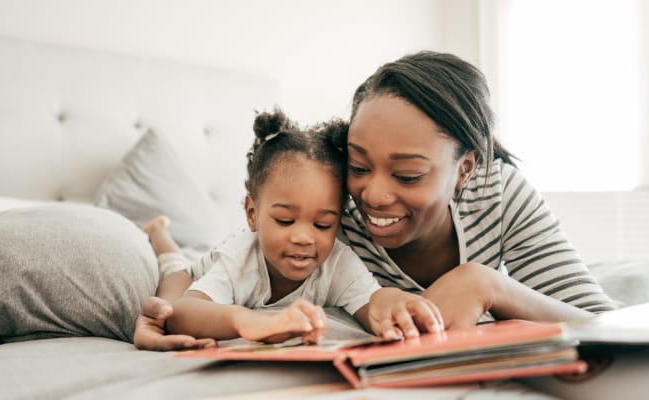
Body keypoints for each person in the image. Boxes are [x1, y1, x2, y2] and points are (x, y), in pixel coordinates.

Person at [133, 51, 615, 351]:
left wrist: (489, 285)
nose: (372, 195)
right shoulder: (326, 213)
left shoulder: (500, 193)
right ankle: (160, 235)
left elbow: (608, 326)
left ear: (466, 169)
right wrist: (167, 310)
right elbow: (233, 273)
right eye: (359, 166)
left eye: (407, 174)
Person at [136, 109, 444, 348]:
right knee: (173, 279)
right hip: (197, 271)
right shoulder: (238, 259)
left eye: (323, 224)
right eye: (285, 220)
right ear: (253, 214)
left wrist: (394, 302)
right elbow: (185, 312)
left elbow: (371, 301)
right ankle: (159, 232)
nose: (302, 238)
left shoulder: (339, 263)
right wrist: (247, 321)